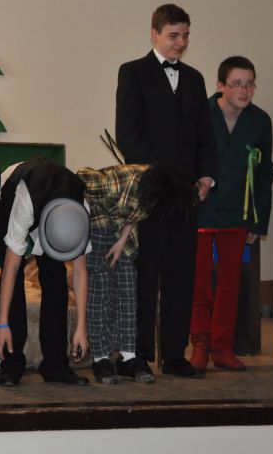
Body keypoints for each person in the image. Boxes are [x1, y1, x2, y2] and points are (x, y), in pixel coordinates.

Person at [115, 3, 218, 378]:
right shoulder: (132, 72)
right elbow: (128, 135)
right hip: (152, 192)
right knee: (146, 275)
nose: (181, 42)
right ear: (154, 34)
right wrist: (164, 178)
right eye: (174, 35)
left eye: (186, 36)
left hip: (187, 195)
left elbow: (205, 136)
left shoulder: (195, 79)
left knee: (180, 275)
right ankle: (139, 354)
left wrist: (206, 178)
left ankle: (174, 354)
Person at [190, 56, 273, 372]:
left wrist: (258, 221)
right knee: (199, 283)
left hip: (238, 213)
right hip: (201, 211)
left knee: (229, 284)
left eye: (250, 84)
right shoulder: (200, 114)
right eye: (237, 83)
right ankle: (200, 344)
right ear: (220, 85)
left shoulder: (260, 121)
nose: (244, 90)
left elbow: (264, 175)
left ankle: (222, 347)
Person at [79, 164, 196, 385]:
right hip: (98, 226)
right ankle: (101, 359)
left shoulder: (154, 193)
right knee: (99, 292)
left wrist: (121, 240)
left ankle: (129, 356)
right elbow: (82, 179)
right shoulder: (115, 184)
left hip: (123, 234)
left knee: (129, 290)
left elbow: (135, 214)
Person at [0, 157, 91, 387]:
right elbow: (10, 270)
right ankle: (12, 363)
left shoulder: (80, 209)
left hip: (53, 212)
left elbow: (80, 273)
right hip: (10, 196)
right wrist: (2, 324)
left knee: (56, 279)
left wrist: (81, 327)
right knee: (15, 279)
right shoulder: (24, 201)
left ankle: (55, 365)